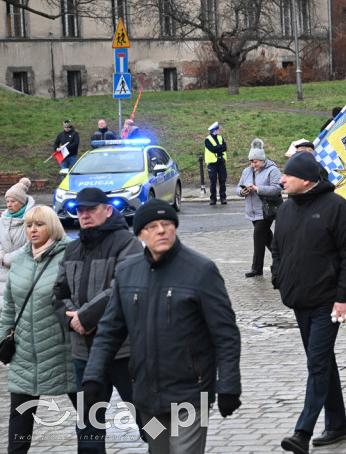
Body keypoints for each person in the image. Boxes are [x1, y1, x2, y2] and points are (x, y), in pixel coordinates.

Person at [83, 199, 242, 453]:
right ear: (140, 234)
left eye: (167, 224)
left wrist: (229, 386)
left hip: (191, 394)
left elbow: (226, 334)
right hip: (146, 396)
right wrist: (92, 376)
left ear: (175, 228)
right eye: (153, 226)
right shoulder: (127, 272)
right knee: (158, 450)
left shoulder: (201, 271)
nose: (161, 230)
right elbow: (110, 330)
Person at [271, 151, 346, 453]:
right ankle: (337, 426)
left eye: (288, 175)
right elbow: (277, 250)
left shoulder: (336, 207)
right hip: (299, 300)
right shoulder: (285, 211)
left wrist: (344, 298)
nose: (282, 180)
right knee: (321, 362)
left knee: (318, 362)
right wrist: (280, 279)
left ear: (307, 180)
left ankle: (302, 432)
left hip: (328, 303)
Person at [52, 186, 143, 453]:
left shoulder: (127, 243)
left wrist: (86, 316)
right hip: (84, 355)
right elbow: (58, 293)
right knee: (89, 428)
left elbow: (122, 287)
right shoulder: (71, 250)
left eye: (91, 209)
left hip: (124, 352)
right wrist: (72, 321)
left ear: (108, 210)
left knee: (148, 419)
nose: (85, 215)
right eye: (80, 210)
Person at [2, 205, 76, 454]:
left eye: (39, 224)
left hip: (62, 350)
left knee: (90, 414)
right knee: (19, 419)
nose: (33, 230)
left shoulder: (69, 255)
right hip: (24, 353)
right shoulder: (21, 258)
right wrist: (4, 337)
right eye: (29, 225)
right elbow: (9, 305)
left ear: (52, 226)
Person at [237, 139, 282, 277]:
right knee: (267, 238)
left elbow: (277, 189)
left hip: (266, 211)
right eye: (251, 161)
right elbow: (238, 187)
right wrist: (242, 192)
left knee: (258, 237)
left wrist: (258, 189)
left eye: (255, 162)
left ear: (262, 160)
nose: (253, 164)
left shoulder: (273, 170)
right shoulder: (247, 171)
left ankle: (256, 268)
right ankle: (283, 259)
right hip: (252, 210)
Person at [1, 178, 32, 307]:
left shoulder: (31, 218)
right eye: (7, 201)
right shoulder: (2, 219)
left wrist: (9, 258)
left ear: (21, 202)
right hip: (2, 270)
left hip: (24, 270)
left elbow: (30, 244)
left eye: (13, 201)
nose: (9, 204)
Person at [205, 122, 228, 206]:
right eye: (217, 129)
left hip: (221, 162)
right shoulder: (208, 139)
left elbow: (225, 147)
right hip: (212, 163)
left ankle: (223, 198)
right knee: (213, 181)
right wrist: (220, 148)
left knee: (222, 180)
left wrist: (219, 148)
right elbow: (212, 149)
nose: (219, 130)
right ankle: (213, 199)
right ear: (213, 130)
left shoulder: (221, 138)